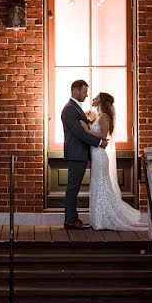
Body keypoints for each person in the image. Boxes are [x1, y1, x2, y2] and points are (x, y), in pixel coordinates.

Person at [81, 92, 143, 231]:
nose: (93, 99)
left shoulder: (104, 116)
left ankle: (104, 219)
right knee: (99, 185)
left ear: (101, 101)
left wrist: (87, 130)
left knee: (101, 184)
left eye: (96, 98)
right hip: (96, 154)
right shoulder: (99, 116)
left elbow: (103, 135)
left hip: (100, 155)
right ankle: (100, 219)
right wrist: (90, 122)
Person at [61, 79, 107, 230]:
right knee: (73, 188)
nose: (87, 95)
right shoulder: (69, 109)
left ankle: (72, 219)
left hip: (80, 154)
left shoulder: (75, 108)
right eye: (84, 92)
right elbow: (80, 133)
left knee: (74, 187)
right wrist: (99, 143)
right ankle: (70, 220)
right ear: (76, 91)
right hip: (76, 154)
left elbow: (85, 128)